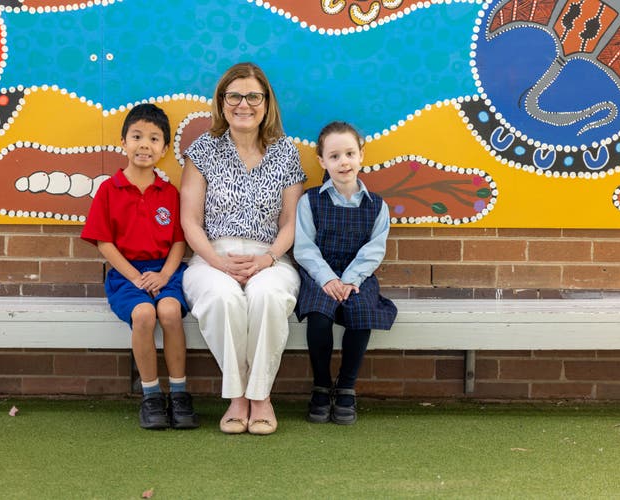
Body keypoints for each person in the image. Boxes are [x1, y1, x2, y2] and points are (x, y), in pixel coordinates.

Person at [180, 62, 306, 435]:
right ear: (221, 102)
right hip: (211, 255)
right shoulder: (203, 150)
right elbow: (190, 220)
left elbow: (290, 221)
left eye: (253, 96)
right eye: (233, 96)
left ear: (266, 103)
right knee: (223, 299)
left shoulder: (286, 153)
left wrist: (268, 259)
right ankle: (237, 397)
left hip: (270, 255)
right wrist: (217, 262)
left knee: (267, 298)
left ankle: (261, 397)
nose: (243, 104)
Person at [81, 103, 198, 430]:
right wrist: (136, 277)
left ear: (163, 149)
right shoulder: (109, 190)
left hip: (166, 271)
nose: (144, 144)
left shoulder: (169, 193)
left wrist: (163, 275)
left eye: (153, 138)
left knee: (171, 312)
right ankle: (151, 396)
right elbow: (105, 243)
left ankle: (178, 393)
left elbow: (178, 241)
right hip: (127, 275)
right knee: (145, 314)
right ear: (123, 143)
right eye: (137, 136)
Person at [293, 121, 397, 425]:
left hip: (357, 276)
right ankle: (322, 385)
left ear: (361, 155)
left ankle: (347, 386)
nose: (344, 162)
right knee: (319, 315)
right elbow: (305, 247)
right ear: (322, 161)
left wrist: (350, 280)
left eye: (350, 153)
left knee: (362, 312)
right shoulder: (309, 201)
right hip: (319, 274)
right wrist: (328, 279)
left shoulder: (377, 206)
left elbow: (374, 250)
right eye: (335, 156)